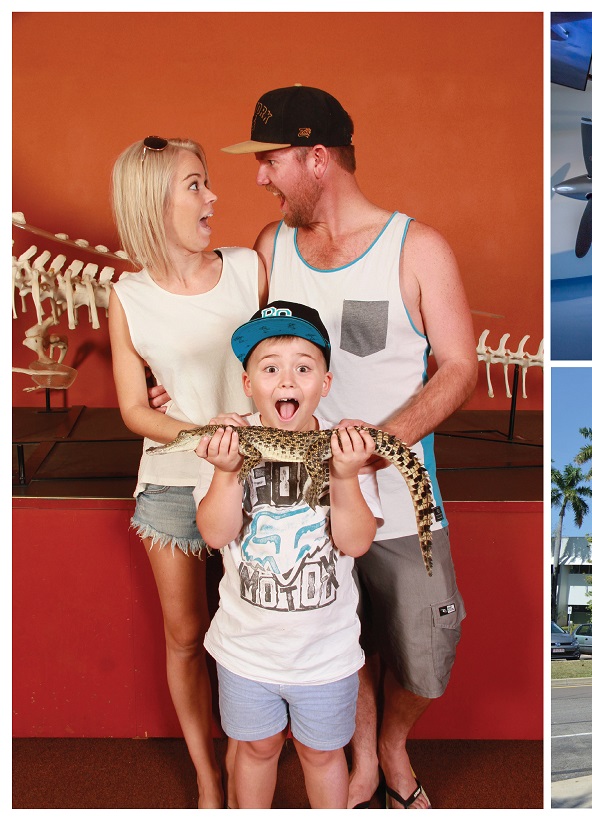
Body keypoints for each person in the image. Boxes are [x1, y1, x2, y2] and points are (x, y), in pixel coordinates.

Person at [223, 85, 478, 810]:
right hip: (297, 507)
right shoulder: (272, 247)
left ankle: (392, 739)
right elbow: (249, 357)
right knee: (338, 645)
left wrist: (375, 449)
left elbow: (461, 366)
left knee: (428, 658)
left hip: (400, 503)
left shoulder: (417, 247)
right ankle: (366, 757)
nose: (260, 177)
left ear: (318, 158)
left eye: (270, 160)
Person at [109, 135, 266, 808]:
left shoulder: (249, 270)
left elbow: (293, 358)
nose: (214, 197)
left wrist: (241, 435)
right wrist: (207, 430)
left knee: (255, 627)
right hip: (172, 479)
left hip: (257, 478)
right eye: (196, 185)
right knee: (185, 636)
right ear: (154, 203)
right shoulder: (128, 296)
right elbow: (135, 412)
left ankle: (252, 754)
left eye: (208, 182)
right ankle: (208, 775)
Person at [194, 302, 379, 809]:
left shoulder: (346, 446)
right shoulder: (225, 444)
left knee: (323, 755)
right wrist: (226, 472)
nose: (287, 379)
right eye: (270, 367)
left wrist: (344, 475)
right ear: (248, 382)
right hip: (245, 651)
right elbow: (215, 534)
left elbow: (356, 542)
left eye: (303, 366)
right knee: (256, 747)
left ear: (326, 381)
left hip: (326, 655)